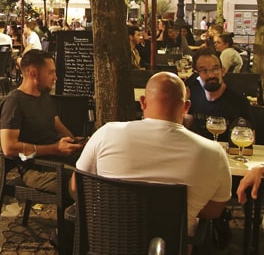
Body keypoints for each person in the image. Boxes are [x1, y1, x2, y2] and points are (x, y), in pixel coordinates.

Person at [73, 72, 231, 236]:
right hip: (171, 253)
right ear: (186, 107)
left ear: (142, 102)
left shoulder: (106, 133)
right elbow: (214, 210)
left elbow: (76, 186)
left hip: (106, 247)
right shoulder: (213, 152)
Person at [0, 49, 84, 192]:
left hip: (56, 159)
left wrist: (76, 142)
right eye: (50, 72)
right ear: (33, 73)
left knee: (100, 167)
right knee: (85, 184)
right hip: (35, 168)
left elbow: (57, 125)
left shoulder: (43, 96)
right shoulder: (14, 102)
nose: (55, 77)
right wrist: (55, 149)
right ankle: (80, 213)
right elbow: (9, 148)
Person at [186, 47, 251, 142]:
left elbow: (249, 139)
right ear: (197, 74)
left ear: (223, 71)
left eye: (215, 69)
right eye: (204, 71)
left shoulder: (239, 101)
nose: (211, 75)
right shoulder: (192, 96)